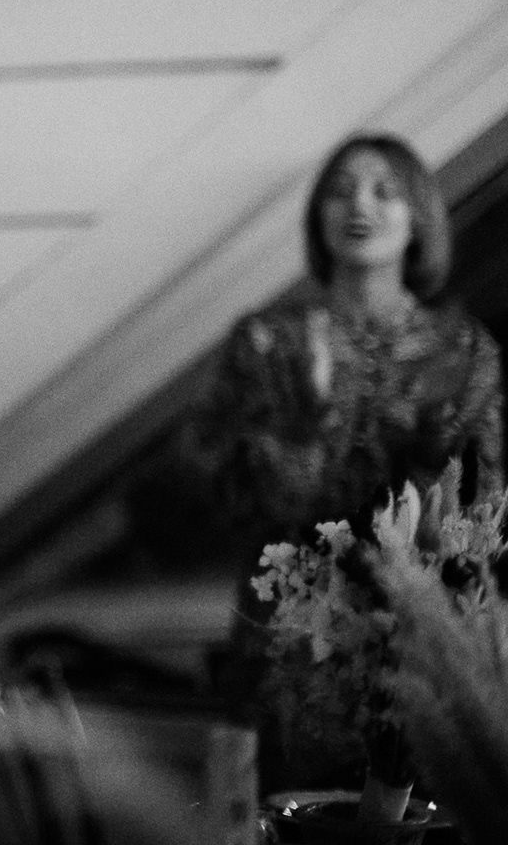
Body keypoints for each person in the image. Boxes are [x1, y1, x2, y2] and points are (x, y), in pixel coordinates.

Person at [173, 132, 503, 785]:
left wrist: (433, 477)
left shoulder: (462, 353)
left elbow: (484, 515)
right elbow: (210, 490)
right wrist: (296, 436)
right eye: (341, 191)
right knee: (284, 804)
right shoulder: (267, 342)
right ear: (317, 217)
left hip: (414, 636)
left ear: (419, 218)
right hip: (285, 634)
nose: (361, 205)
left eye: (386, 191)